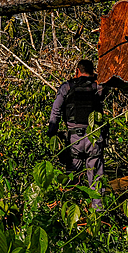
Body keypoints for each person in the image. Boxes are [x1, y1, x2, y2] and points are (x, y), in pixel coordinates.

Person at [47, 59, 109, 208]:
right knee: (96, 179)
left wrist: (51, 133)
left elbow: (55, 112)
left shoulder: (67, 87)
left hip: (74, 138)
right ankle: (97, 214)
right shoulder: (97, 87)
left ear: (77, 71)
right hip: (93, 137)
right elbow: (107, 82)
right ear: (92, 72)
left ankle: (70, 212)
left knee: (71, 178)